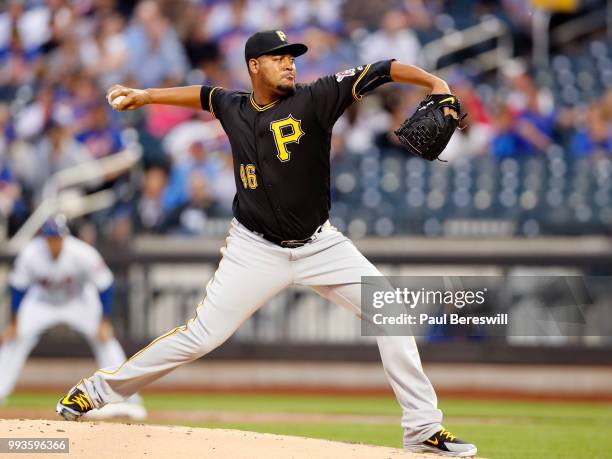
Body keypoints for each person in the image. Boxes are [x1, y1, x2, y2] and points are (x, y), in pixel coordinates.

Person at [57, 30, 476, 457]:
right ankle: (96, 391)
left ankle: (422, 429)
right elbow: (203, 94)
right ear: (255, 65)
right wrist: (146, 96)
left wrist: (434, 84)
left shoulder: (318, 97)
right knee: (200, 336)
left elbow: (382, 69)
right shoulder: (233, 106)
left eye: (292, 57)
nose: (290, 63)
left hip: (320, 245)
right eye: (279, 57)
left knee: (391, 311)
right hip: (253, 249)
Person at [0, 215, 146, 420]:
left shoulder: (82, 253)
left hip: (77, 301)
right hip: (41, 302)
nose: (54, 243)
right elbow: (18, 287)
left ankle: (129, 396)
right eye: (50, 238)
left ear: (65, 237)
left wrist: (104, 322)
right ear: (44, 238)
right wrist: (14, 323)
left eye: (57, 238)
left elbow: (105, 285)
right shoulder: (31, 253)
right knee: (15, 339)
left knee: (105, 340)